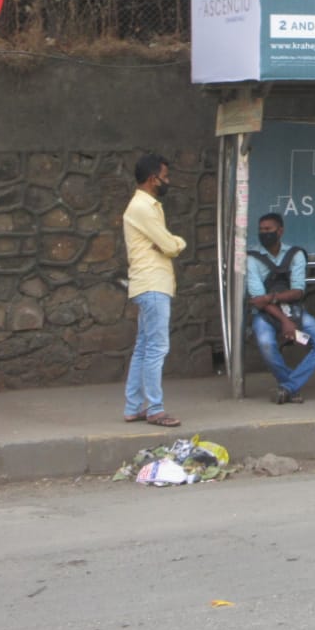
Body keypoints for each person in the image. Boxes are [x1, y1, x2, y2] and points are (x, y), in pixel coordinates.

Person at [122, 153, 187, 427]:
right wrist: (177, 242)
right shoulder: (144, 208)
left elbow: (165, 245)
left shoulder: (145, 206)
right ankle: (155, 409)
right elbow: (171, 246)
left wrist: (168, 243)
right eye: (165, 176)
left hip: (149, 284)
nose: (167, 181)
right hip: (153, 284)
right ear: (153, 179)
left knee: (144, 347)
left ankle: (134, 406)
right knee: (156, 348)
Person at [248, 212, 315, 404]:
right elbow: (258, 301)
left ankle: (287, 387)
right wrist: (285, 322)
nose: (264, 233)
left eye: (268, 229)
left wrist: (272, 298)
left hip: (294, 313)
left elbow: (298, 292)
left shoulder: (295, 254)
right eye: (261, 230)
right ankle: (291, 387)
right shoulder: (252, 258)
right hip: (266, 316)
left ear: (280, 231)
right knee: (266, 343)